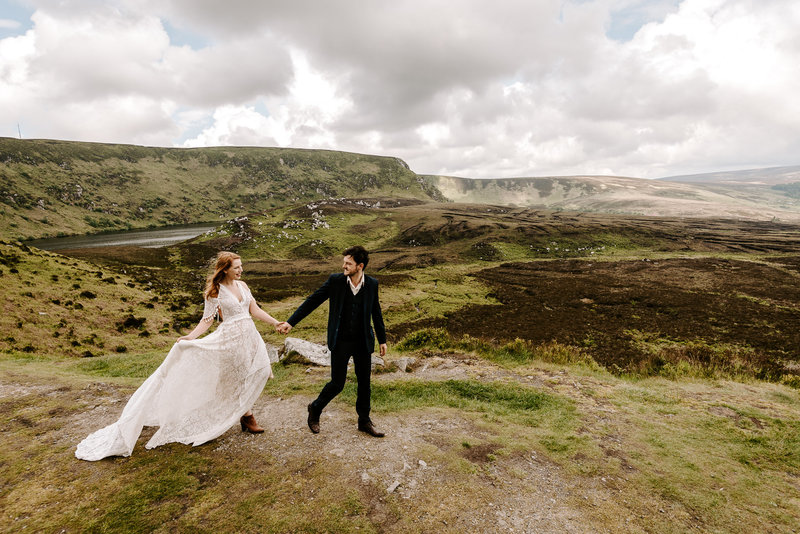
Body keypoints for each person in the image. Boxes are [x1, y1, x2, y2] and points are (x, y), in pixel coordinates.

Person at [75, 251, 280, 461]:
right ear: (225, 269)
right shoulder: (215, 292)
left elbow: (254, 310)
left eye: (241, 266)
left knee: (254, 373)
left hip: (249, 337)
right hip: (228, 340)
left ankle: (244, 416)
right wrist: (190, 337)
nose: (241, 270)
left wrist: (275, 323)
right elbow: (207, 320)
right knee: (231, 380)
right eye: (236, 267)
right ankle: (246, 416)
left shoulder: (244, 286)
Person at [278, 245, 387, 437]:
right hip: (341, 341)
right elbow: (313, 301)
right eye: (344, 262)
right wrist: (291, 322)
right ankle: (315, 408)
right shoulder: (335, 281)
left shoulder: (372, 284)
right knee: (337, 383)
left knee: (364, 383)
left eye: (348, 263)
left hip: (363, 341)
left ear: (360, 266)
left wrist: (382, 339)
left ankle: (364, 421)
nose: (343, 266)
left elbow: (376, 312)